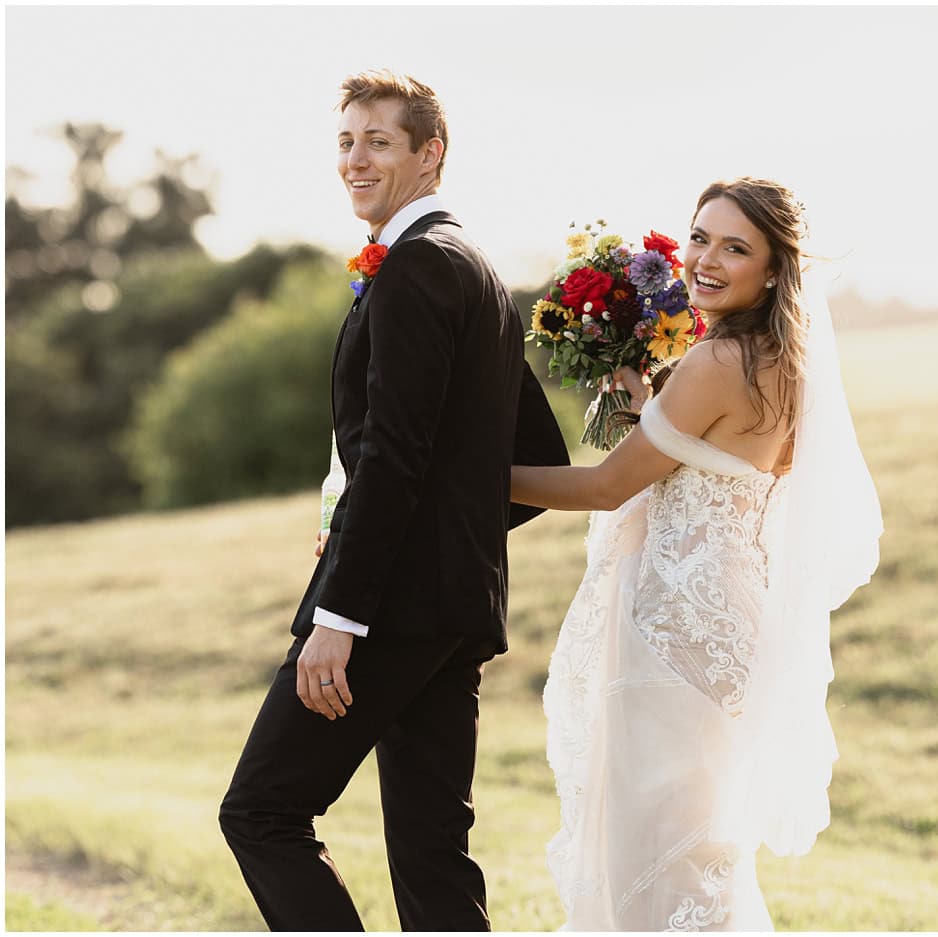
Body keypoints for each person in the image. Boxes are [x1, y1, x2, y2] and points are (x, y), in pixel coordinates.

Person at [219, 70, 569, 931]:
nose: (355, 159)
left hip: (388, 609)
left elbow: (394, 453)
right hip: (454, 604)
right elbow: (525, 456)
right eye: (345, 141)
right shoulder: (477, 268)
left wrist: (344, 609)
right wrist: (454, 544)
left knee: (261, 810)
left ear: (429, 153)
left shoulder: (416, 268)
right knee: (430, 853)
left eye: (378, 140)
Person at [511, 177, 883, 930]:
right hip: (730, 622)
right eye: (701, 237)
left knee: (652, 858)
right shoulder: (781, 360)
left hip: (670, 630)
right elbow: (704, 453)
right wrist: (646, 396)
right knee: (695, 852)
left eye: (735, 247)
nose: (706, 261)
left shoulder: (718, 363)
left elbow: (608, 485)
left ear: (774, 269)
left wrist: (462, 478)